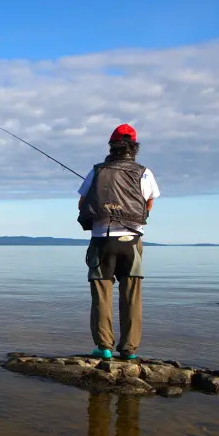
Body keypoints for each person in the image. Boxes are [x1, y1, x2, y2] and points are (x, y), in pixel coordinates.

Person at [77, 123, 161, 360]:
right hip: (132, 240)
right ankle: (129, 349)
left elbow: (82, 204)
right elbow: (149, 203)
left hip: (101, 240)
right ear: (134, 147)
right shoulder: (144, 172)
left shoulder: (97, 171)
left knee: (102, 295)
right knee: (132, 295)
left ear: (112, 146)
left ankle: (104, 347)